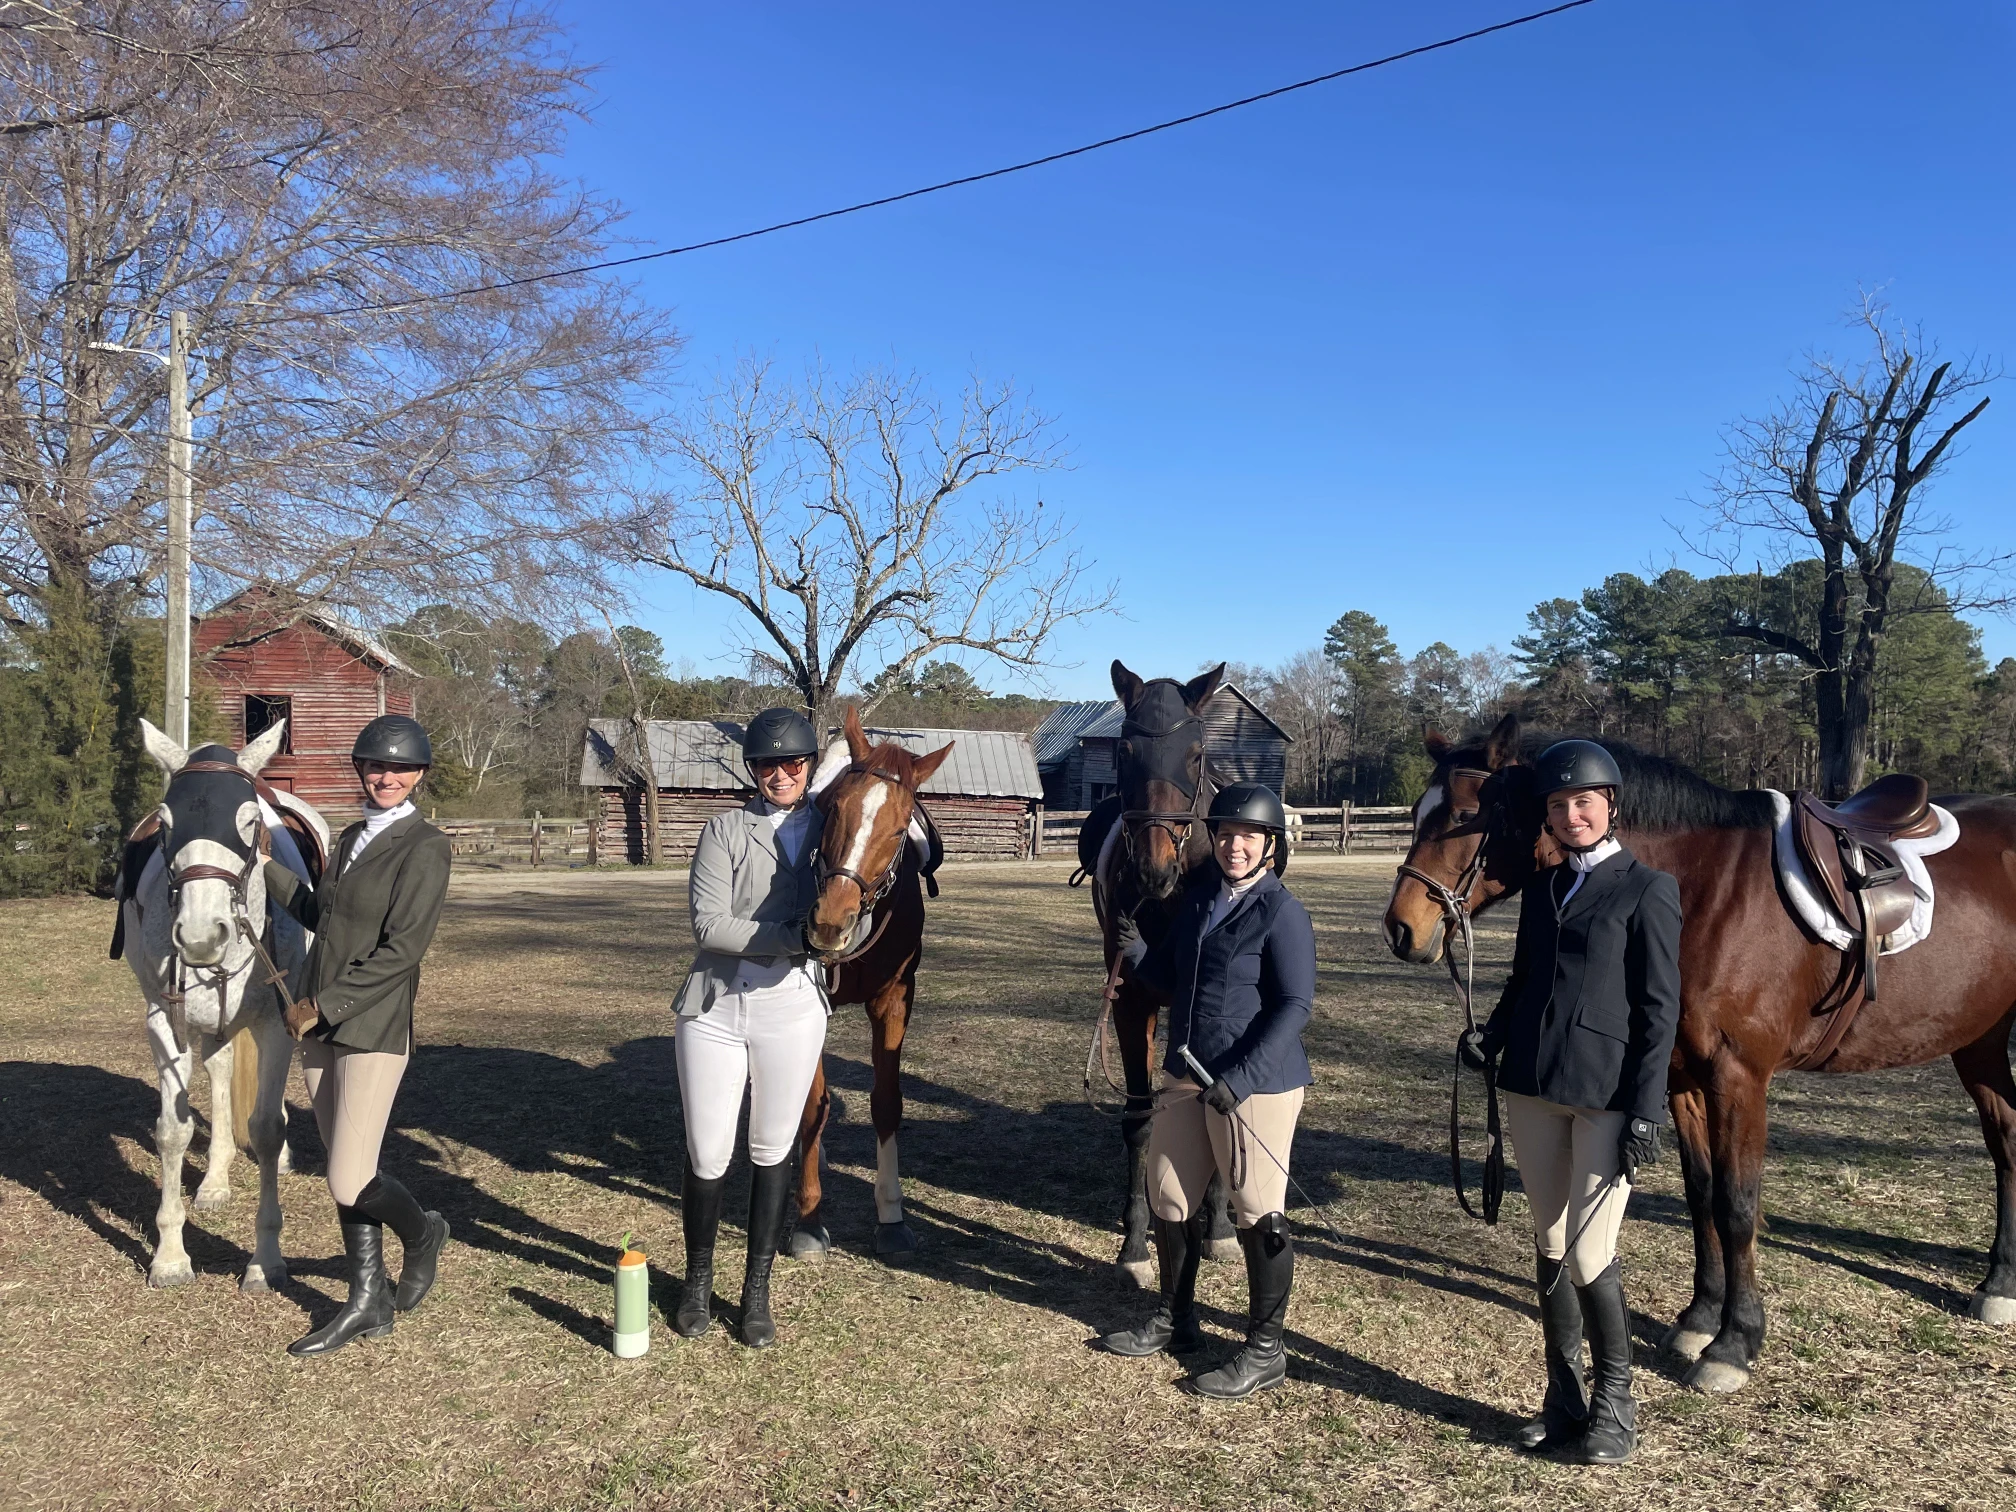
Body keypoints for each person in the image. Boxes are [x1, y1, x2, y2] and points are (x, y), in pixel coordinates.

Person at [1464, 739, 1682, 1465]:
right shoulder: (1545, 888)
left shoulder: (1648, 889)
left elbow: (1660, 1013)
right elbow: (1525, 977)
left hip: (1606, 1096)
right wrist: (1493, 1034)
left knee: (1591, 1252)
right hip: (1531, 1084)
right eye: (1558, 805)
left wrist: (1647, 1108)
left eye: (1582, 802)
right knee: (1551, 1244)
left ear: (1610, 805)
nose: (1570, 814)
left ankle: (1616, 1407)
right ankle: (1564, 1402)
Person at [1097, 782, 1316, 1399]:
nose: (1234, 846)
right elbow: (1169, 978)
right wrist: (1136, 951)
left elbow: (1295, 1005)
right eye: (1224, 835)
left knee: (1255, 1211)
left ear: (1270, 846)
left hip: (1255, 1085)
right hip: (1185, 1076)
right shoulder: (1199, 901)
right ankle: (1176, 1318)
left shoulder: (1282, 911)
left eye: (1248, 836)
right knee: (1168, 1194)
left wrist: (1240, 1079)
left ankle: (1265, 1351)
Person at [263, 714, 454, 1358]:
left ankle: (424, 1231)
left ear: (420, 775)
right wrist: (263, 870)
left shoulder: (425, 845)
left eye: (401, 768)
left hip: (369, 1023)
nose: (387, 777)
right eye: (376, 766)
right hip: (316, 1023)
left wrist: (325, 1003)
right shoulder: (349, 839)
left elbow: (403, 949)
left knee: (348, 1177)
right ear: (361, 771)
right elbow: (325, 914)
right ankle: (367, 1299)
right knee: (351, 1166)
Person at [671, 707, 829, 1348]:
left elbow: (861, 917)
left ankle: (756, 1289)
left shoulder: (833, 828)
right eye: (769, 764)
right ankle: (697, 1282)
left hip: (792, 1011)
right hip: (714, 1009)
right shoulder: (725, 829)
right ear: (754, 770)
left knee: (772, 1148)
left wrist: (839, 934)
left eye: (793, 763)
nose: (782, 773)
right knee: (709, 1152)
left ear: (809, 766)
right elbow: (709, 926)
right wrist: (800, 937)